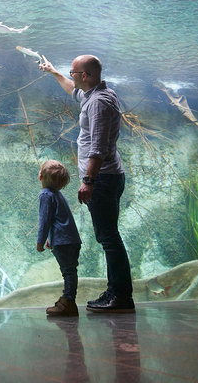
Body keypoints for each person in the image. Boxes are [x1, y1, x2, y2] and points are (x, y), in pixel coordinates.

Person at [39, 54, 134, 313]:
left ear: (86, 75)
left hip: (103, 179)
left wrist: (89, 181)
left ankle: (121, 296)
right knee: (108, 236)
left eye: (73, 72)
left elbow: (99, 147)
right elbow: (73, 90)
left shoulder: (99, 103)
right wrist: (54, 72)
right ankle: (116, 291)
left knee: (109, 238)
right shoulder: (93, 95)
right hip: (106, 178)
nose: (71, 76)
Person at [36, 159, 82, 317]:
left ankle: (68, 302)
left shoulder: (45, 195)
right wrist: (52, 238)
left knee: (68, 272)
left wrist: (40, 241)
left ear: (40, 177)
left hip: (63, 242)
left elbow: (45, 220)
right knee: (70, 271)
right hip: (72, 239)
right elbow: (60, 219)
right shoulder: (58, 194)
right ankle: (68, 300)